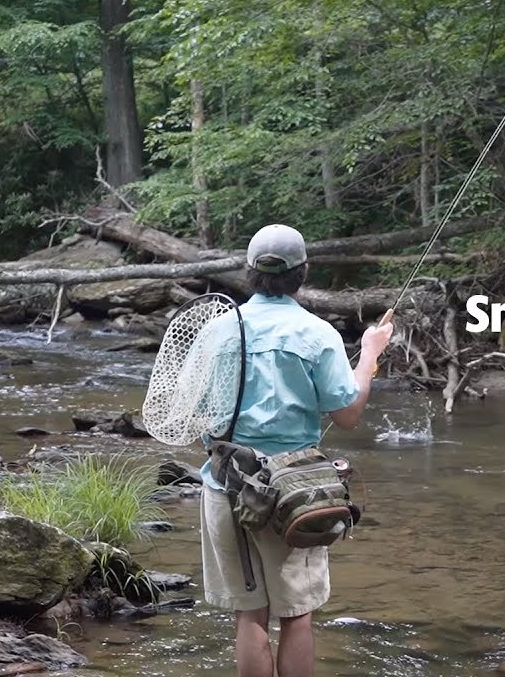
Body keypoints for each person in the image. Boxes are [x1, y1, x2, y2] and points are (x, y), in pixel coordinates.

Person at [198, 223, 393, 677]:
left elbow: (198, 416)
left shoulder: (218, 330)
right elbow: (347, 415)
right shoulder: (316, 332)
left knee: (248, 615)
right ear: (302, 273)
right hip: (294, 493)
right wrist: (369, 353)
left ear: (250, 272)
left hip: (225, 485)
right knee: (296, 615)